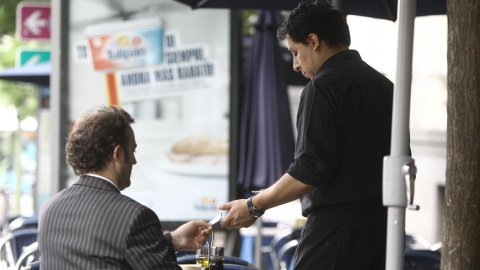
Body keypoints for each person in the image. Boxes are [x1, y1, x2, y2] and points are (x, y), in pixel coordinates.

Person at [219, 1, 394, 269]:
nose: (295, 66)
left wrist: (253, 205)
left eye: (295, 53)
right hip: (382, 230)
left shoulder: (322, 87)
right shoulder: (386, 86)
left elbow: (309, 171)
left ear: (313, 41)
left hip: (336, 232)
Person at [38, 105, 213, 270]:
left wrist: (173, 241)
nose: (134, 161)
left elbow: (104, 253)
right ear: (118, 153)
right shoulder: (135, 217)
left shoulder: (49, 209)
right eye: (133, 151)